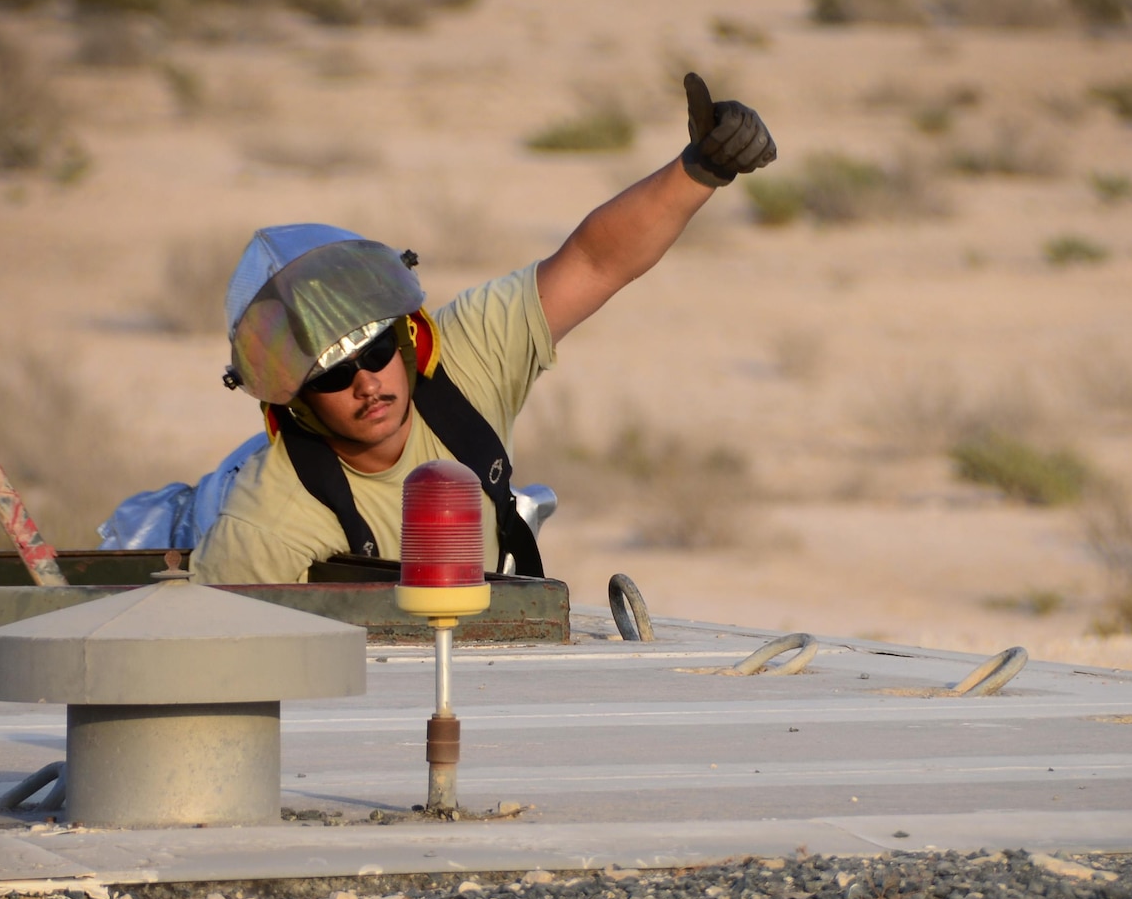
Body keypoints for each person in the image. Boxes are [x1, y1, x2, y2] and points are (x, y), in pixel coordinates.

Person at [188, 74, 776, 586]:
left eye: (376, 351)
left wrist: (702, 169)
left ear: (410, 338)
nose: (366, 383)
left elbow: (595, 263)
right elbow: (217, 666)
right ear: (295, 403)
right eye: (333, 374)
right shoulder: (268, 516)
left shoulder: (466, 357)